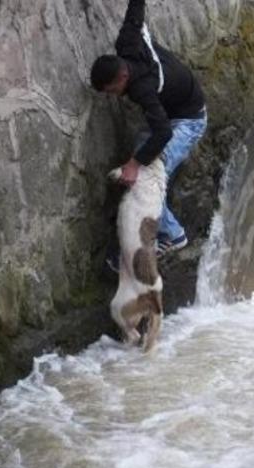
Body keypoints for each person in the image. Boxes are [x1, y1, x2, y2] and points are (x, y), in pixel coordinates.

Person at [91, 0, 207, 271]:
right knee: (144, 162)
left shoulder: (143, 88)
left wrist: (133, 165)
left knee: (146, 176)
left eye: (110, 90)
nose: (112, 96)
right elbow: (136, 10)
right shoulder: (127, 42)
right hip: (171, 114)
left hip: (187, 123)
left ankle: (173, 234)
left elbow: (164, 133)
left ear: (121, 78)